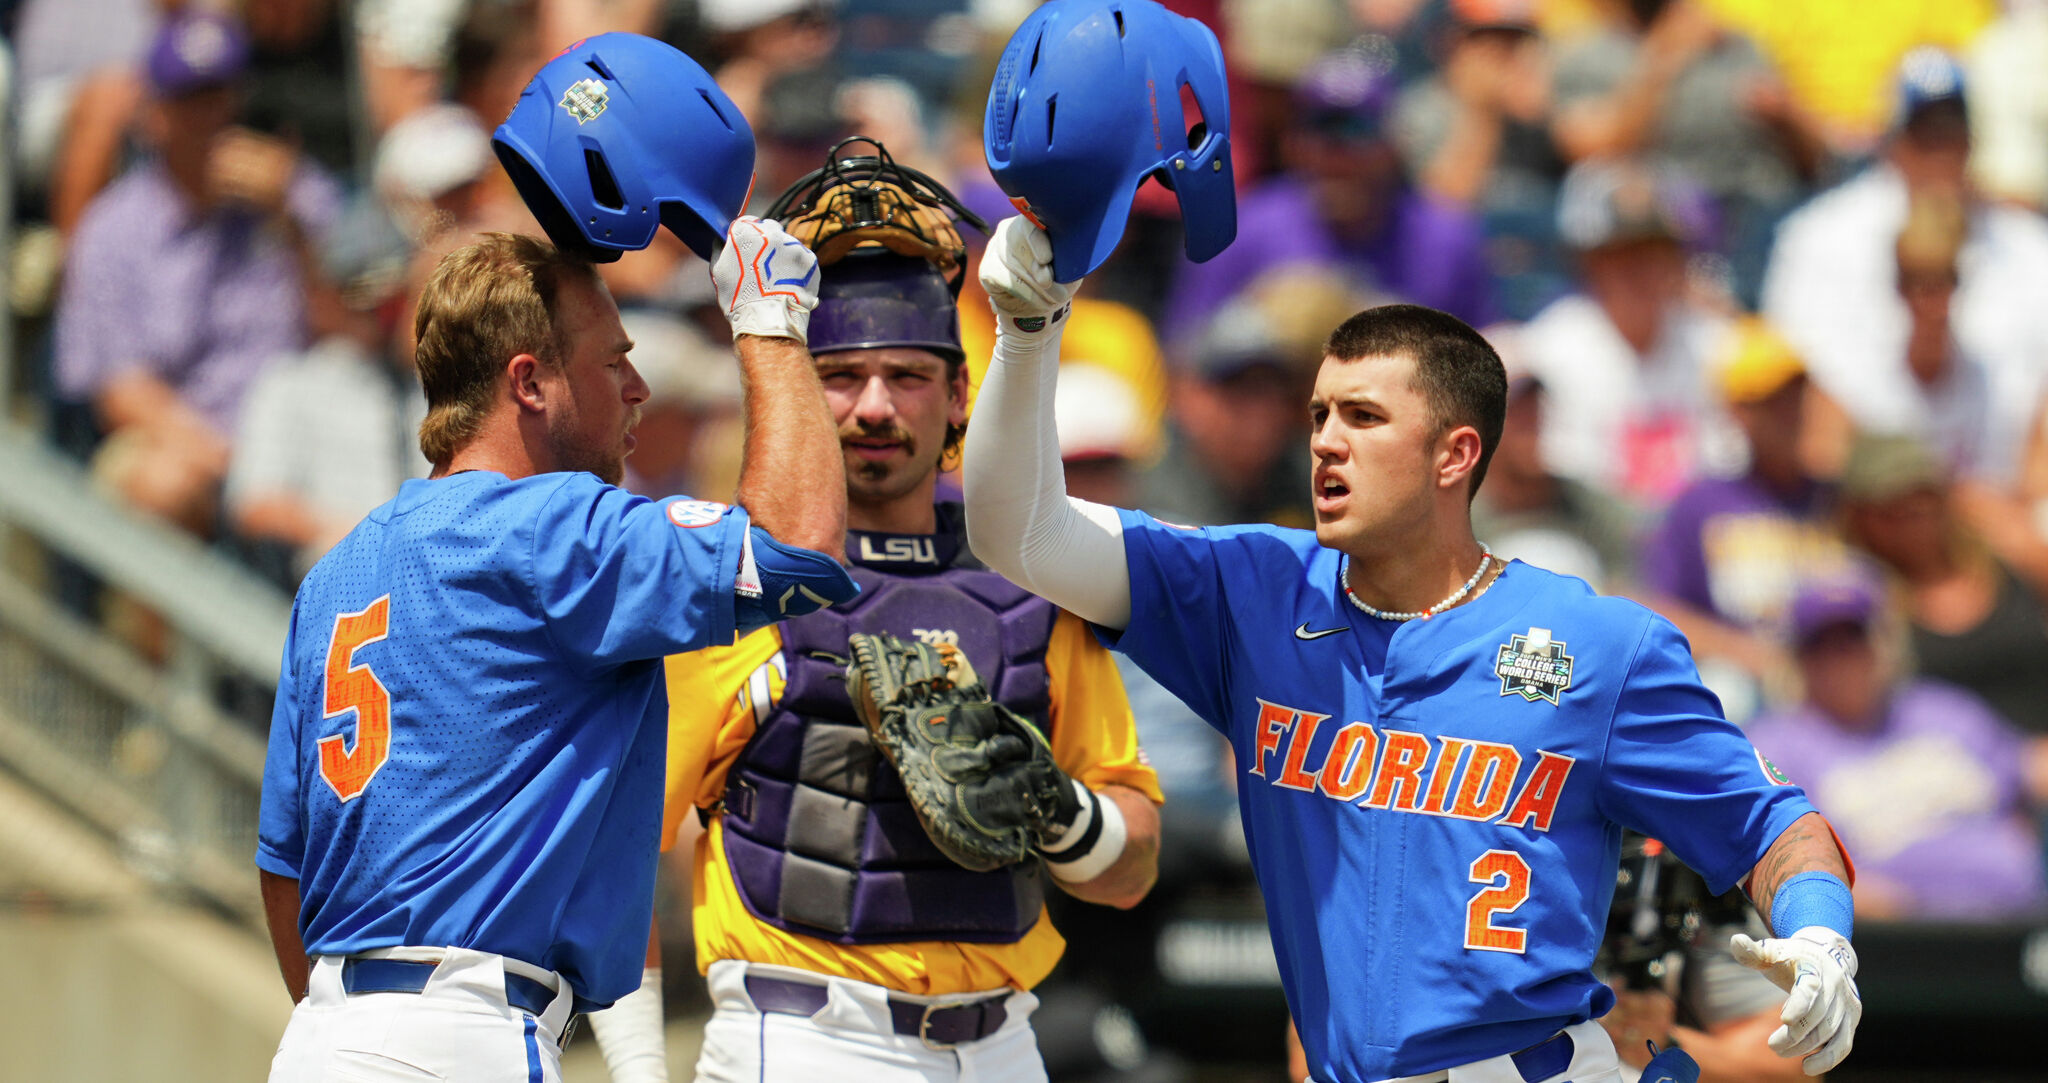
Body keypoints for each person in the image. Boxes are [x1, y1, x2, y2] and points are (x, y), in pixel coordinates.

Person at [963, 212, 1864, 1081]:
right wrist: (1029, 331)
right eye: (1318, 415)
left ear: (1453, 454)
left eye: (1362, 417)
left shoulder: (1599, 644)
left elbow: (1774, 823)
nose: (1324, 442)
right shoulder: (1253, 590)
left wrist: (1820, 934)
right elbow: (1023, 535)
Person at [255, 36, 858, 1083]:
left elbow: (282, 873)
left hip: (323, 1035)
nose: (637, 391)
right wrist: (769, 324)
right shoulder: (552, 528)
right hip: (467, 1031)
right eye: (613, 364)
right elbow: (799, 548)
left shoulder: (339, 569)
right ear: (529, 383)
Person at [658, 144, 1163, 1083]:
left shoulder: (1030, 576)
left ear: (960, 393)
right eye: (841, 376)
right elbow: (623, 825)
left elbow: (1131, 865)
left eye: (909, 375)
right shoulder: (730, 578)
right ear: (795, 389)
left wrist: (1059, 811)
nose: (875, 407)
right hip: (803, 1033)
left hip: (1005, 1039)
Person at [1743, 574, 2048, 922]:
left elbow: (2025, 769)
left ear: (1882, 644)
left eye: (1854, 639)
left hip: (2013, 916)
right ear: (1798, 658)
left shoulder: (1945, 710)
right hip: (1893, 942)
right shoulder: (1775, 746)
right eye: (1821, 645)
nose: (1842, 659)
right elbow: (1776, 861)